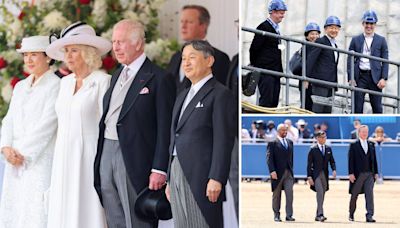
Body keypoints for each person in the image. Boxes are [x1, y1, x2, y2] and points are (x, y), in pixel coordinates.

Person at [93, 19, 175, 228]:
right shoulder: (116, 74)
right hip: (107, 150)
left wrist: (160, 168)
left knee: (138, 219)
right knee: (113, 214)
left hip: (136, 156)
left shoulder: (159, 77)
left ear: (138, 43)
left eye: (121, 42)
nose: (116, 47)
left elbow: (166, 127)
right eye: (114, 42)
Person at [45, 22, 111, 228]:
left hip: (89, 155)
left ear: (88, 53)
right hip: (63, 153)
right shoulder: (64, 83)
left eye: (74, 50)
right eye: (66, 51)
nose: (68, 56)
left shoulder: (103, 81)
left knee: (87, 206)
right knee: (62, 204)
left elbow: (107, 124)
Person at [165, 40, 235, 228]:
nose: (186, 63)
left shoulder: (220, 94)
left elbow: (223, 140)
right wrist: (170, 178)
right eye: (183, 59)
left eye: (192, 58)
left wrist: (217, 178)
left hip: (202, 175)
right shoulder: (182, 95)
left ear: (209, 61)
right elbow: (175, 135)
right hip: (177, 169)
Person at [0, 36, 60, 228]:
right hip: (14, 159)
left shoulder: (56, 85)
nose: (29, 60)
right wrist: (6, 148)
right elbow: (9, 119)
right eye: (26, 55)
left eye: (34, 55)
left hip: (39, 159)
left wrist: (22, 154)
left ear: (48, 57)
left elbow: (48, 124)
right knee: (14, 209)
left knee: (35, 211)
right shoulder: (20, 86)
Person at [167, 4, 230, 94]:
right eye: (182, 21)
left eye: (189, 22)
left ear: (203, 25)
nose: (183, 26)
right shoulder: (175, 57)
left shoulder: (219, 57)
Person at [347, 10, 388, 114]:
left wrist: (383, 78)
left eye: (371, 23)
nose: (369, 26)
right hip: (360, 76)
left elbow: (385, 61)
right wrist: (351, 77)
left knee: (377, 108)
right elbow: (350, 59)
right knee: (357, 107)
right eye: (367, 23)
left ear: (375, 25)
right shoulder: (355, 40)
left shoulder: (381, 40)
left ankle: (379, 127)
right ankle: (357, 128)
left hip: (375, 78)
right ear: (363, 24)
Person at [249, 0, 287, 107]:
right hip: (266, 71)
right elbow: (254, 48)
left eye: (283, 13)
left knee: (274, 102)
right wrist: (257, 66)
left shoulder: (276, 30)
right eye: (281, 13)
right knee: (267, 101)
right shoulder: (263, 27)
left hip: (275, 72)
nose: (282, 16)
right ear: (273, 12)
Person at [307, 16, 341, 113]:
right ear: (326, 29)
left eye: (336, 28)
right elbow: (311, 60)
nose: (334, 30)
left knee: (328, 111)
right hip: (320, 83)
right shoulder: (321, 41)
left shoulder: (335, 45)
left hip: (331, 83)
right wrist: (306, 78)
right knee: (318, 109)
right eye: (331, 27)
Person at [348, 125, 379, 222]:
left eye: (366, 131)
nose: (365, 133)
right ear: (359, 132)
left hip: (369, 173)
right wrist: (351, 173)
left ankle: (369, 215)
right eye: (363, 132)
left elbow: (374, 160)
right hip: (358, 174)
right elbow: (350, 160)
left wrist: (376, 172)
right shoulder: (354, 145)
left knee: (369, 195)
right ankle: (351, 213)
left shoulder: (371, 144)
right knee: (354, 194)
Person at [267, 124, 295, 222]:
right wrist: (272, 171)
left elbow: (291, 158)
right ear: (278, 131)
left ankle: (289, 215)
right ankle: (276, 214)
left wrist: (291, 170)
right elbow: (269, 159)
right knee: (276, 195)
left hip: (288, 173)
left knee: (289, 194)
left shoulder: (290, 142)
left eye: (286, 130)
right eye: (283, 130)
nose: (285, 132)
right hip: (277, 173)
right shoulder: (272, 143)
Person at [307, 131, 336, 222]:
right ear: (317, 138)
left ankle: (318, 214)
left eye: (324, 137)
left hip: (325, 174)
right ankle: (320, 214)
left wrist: (334, 169)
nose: (323, 139)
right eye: (321, 137)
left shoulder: (328, 148)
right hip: (316, 175)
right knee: (319, 192)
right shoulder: (313, 149)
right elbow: (309, 164)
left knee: (323, 193)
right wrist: (309, 177)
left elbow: (332, 161)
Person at [297, 22, 321, 111]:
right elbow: (307, 64)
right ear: (307, 36)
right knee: (306, 104)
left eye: (316, 34)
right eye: (312, 34)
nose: (314, 36)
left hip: (312, 81)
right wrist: (306, 79)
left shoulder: (316, 47)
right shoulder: (306, 47)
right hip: (306, 80)